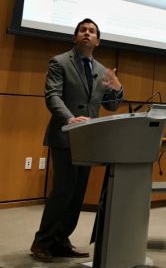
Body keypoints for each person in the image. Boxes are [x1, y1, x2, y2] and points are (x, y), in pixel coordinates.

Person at [30, 18, 123, 262]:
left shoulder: (102, 70)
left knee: (77, 194)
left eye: (92, 31)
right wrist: (70, 119)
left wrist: (117, 88)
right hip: (64, 136)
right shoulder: (59, 62)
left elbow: (111, 106)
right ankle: (42, 242)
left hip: (89, 140)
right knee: (63, 191)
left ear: (98, 41)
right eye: (82, 30)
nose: (86, 33)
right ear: (75, 37)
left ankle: (61, 240)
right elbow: (52, 96)